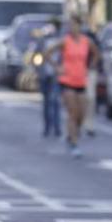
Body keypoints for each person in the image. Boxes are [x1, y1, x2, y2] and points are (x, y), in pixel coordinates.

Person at [45, 13, 99, 158]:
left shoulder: (86, 41)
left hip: (81, 80)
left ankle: (72, 134)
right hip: (67, 80)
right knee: (73, 112)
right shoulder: (65, 41)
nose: (72, 28)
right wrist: (57, 67)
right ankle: (74, 143)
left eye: (74, 25)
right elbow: (48, 52)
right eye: (70, 25)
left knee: (82, 114)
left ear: (80, 26)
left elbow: (96, 54)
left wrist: (90, 67)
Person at [35, 22, 62, 138]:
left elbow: (63, 58)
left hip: (56, 75)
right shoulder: (41, 43)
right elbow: (36, 57)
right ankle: (47, 127)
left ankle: (57, 127)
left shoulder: (60, 43)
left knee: (55, 101)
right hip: (45, 74)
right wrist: (38, 69)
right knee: (46, 101)